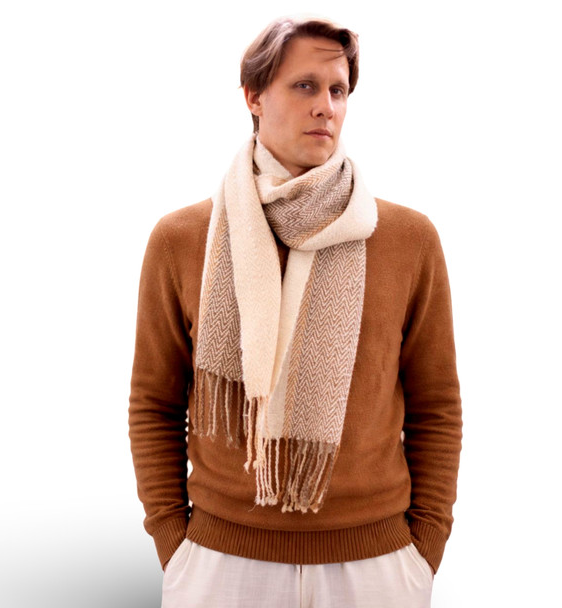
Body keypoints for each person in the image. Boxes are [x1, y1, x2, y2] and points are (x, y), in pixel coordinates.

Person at [129, 15, 462, 608]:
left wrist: (424, 547)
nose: (325, 106)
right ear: (254, 97)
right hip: (221, 564)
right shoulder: (183, 239)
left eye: (338, 90)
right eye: (304, 85)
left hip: (375, 566)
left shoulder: (407, 239)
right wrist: (173, 542)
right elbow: (155, 402)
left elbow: (436, 404)